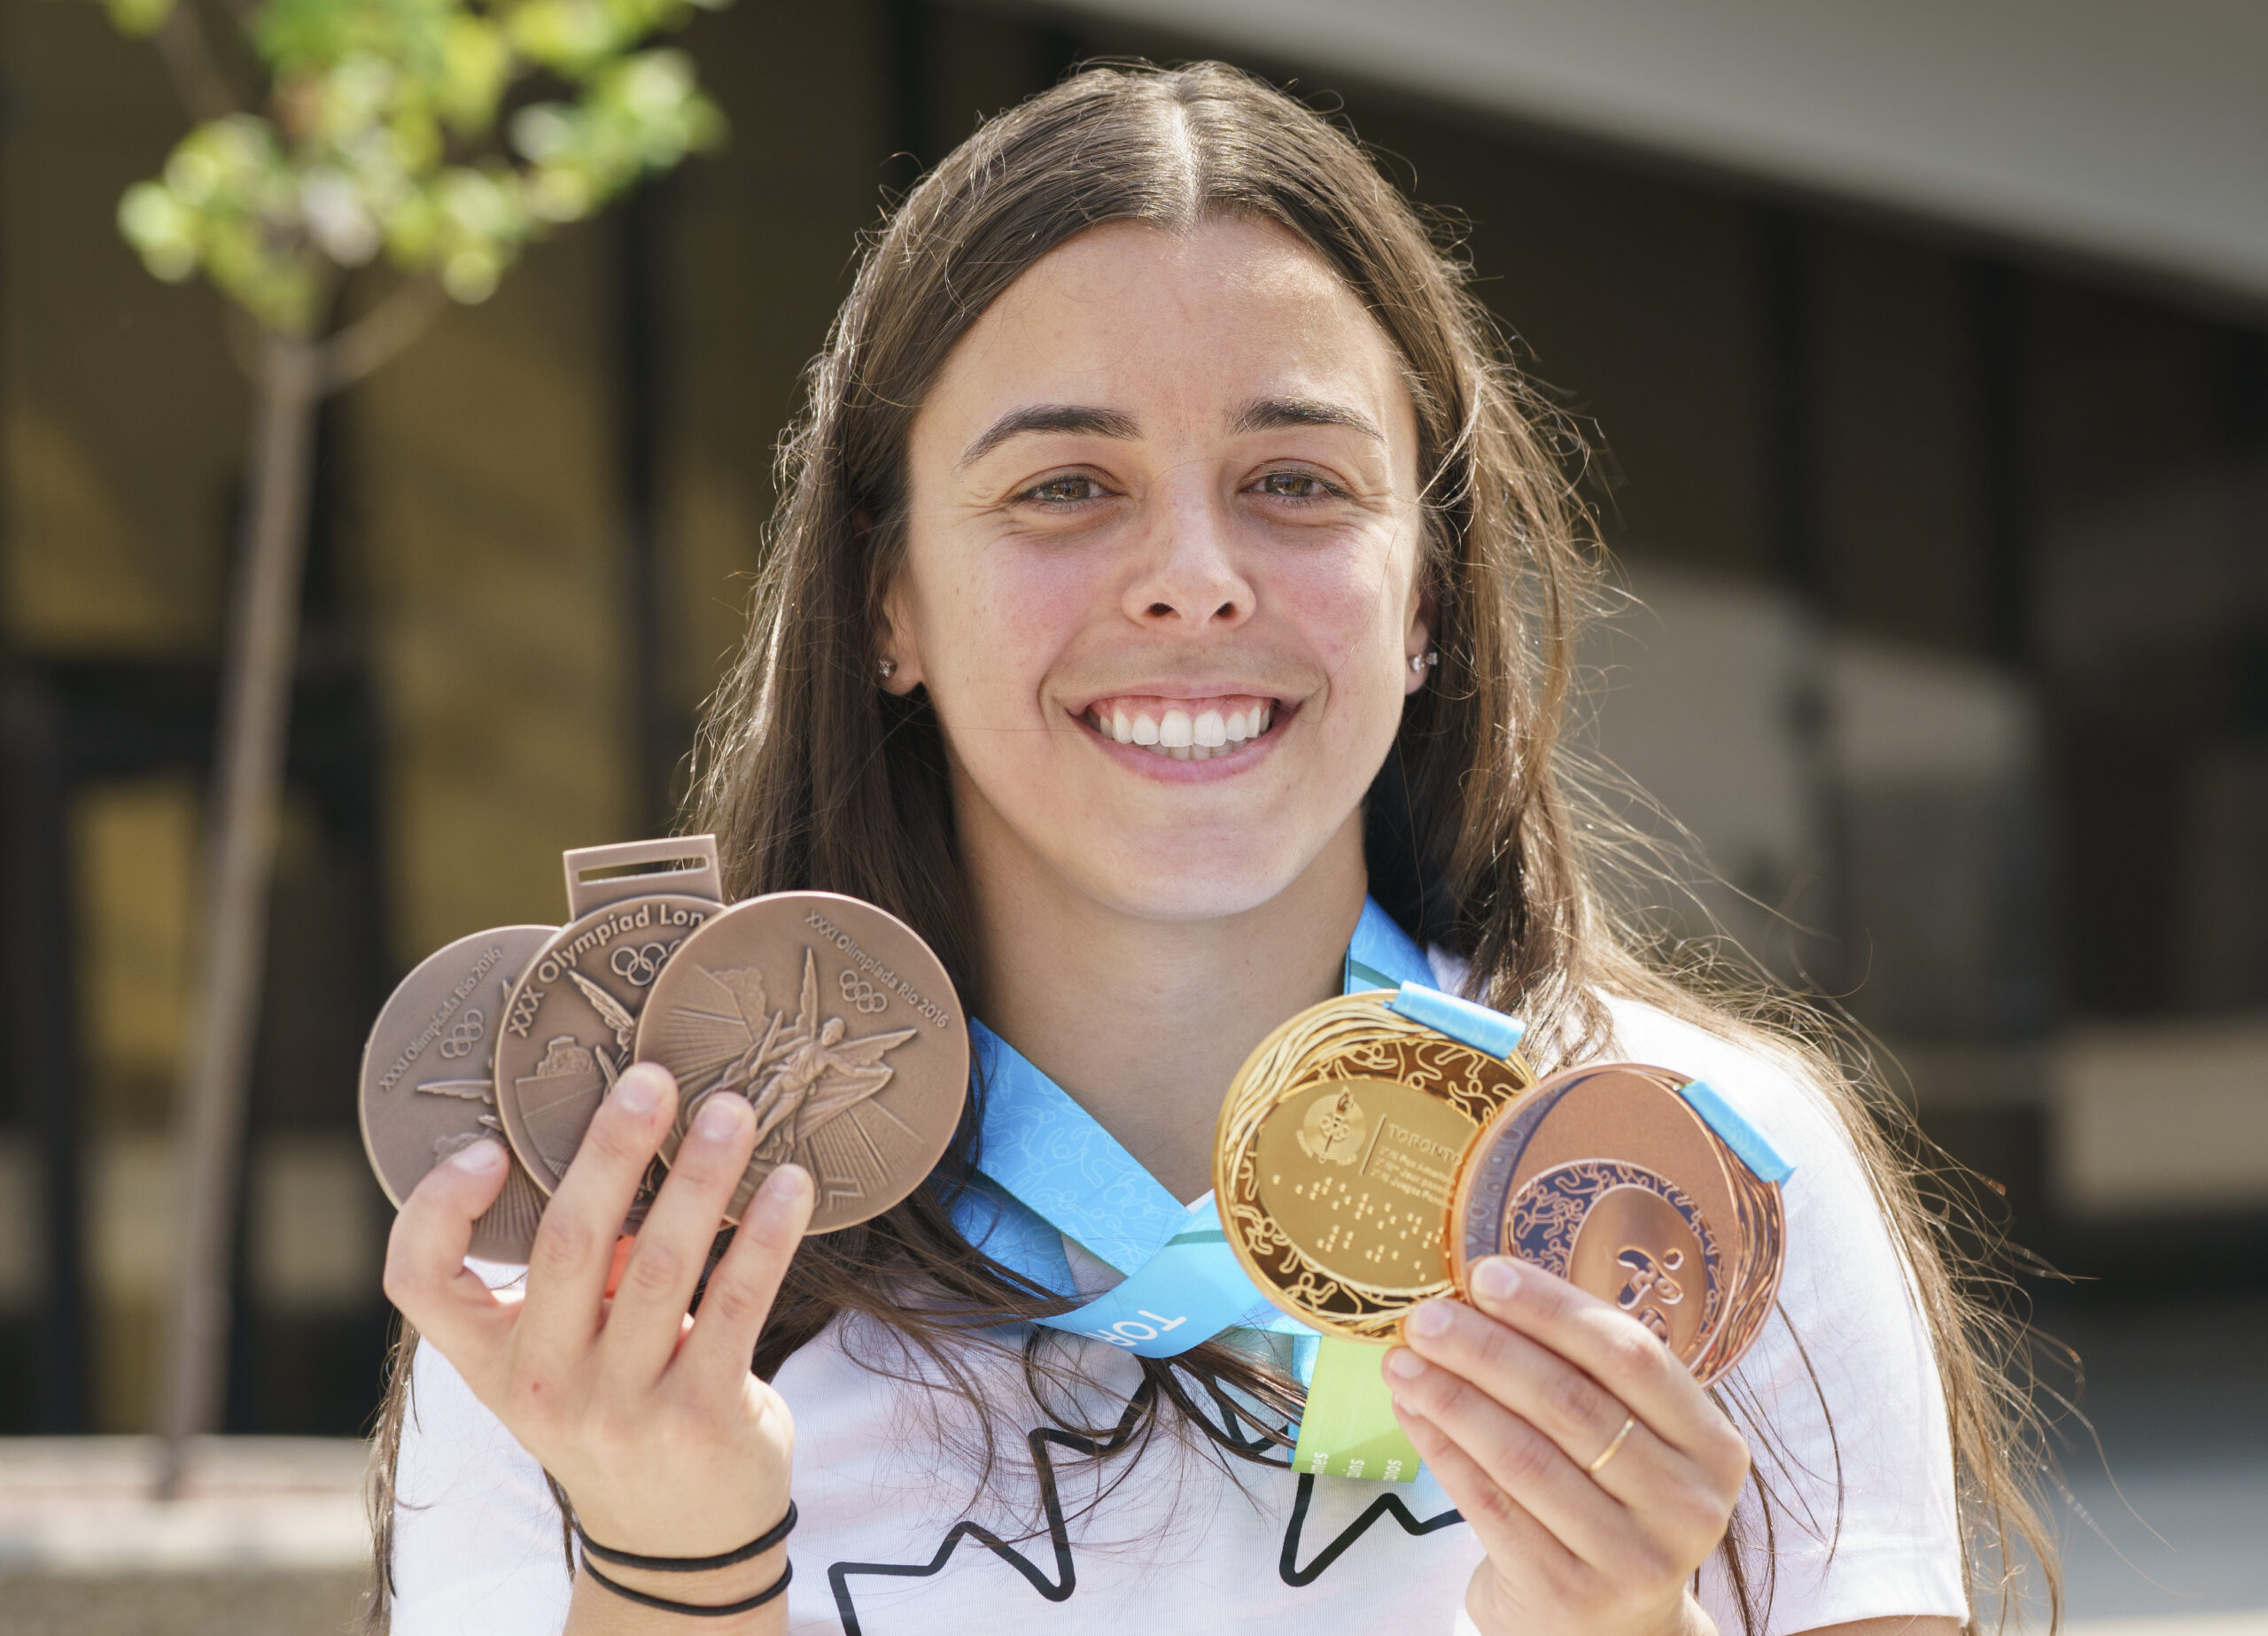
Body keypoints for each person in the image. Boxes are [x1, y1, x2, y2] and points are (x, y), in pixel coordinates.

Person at [369, 61, 2055, 1636]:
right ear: (887, 599)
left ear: (1425, 599)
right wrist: (674, 1570)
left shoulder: (1691, 1179)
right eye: (1064, 489)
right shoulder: (610, 1249)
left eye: (1297, 482)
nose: (1195, 576)